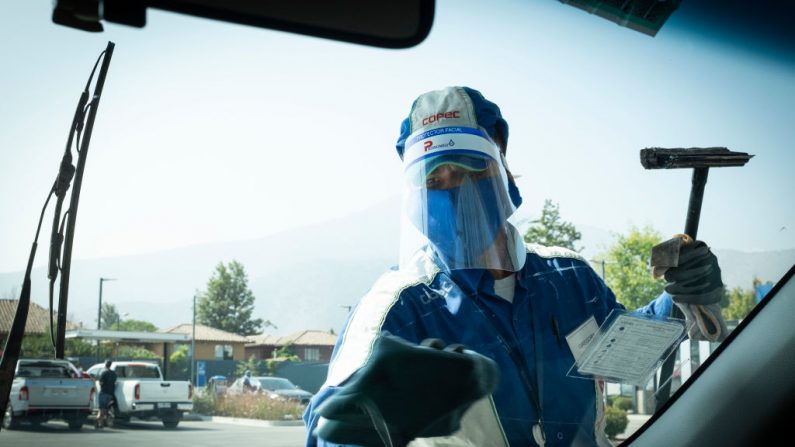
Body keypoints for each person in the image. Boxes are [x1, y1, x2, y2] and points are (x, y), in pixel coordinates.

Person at [303, 86, 726, 446]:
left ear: (504, 171)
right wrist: (359, 423)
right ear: (413, 199)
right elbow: (326, 426)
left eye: (471, 171)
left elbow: (621, 361)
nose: (455, 193)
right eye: (434, 181)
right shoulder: (397, 308)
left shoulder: (569, 277)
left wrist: (681, 298)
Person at [96, 359, 117, 429]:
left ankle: (99, 423)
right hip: (110, 394)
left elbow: (101, 382)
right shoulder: (114, 373)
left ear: (105, 364)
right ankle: (102, 422)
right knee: (105, 409)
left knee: (101, 409)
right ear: (110, 365)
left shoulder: (104, 372)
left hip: (103, 392)